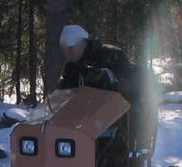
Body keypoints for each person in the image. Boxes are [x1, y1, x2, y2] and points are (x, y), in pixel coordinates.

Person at [57, 25, 158, 153]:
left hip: (119, 122)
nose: (68, 53)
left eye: (71, 48)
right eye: (65, 50)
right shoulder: (71, 68)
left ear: (83, 42)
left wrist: (106, 78)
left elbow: (129, 87)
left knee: (108, 146)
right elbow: (61, 95)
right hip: (85, 123)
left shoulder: (111, 55)